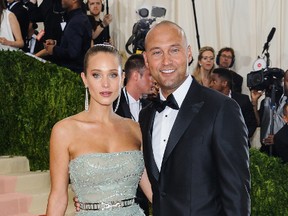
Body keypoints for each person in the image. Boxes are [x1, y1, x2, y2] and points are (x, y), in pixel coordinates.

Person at [140, 20, 250, 215]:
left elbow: (236, 195)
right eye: (157, 52)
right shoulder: (146, 115)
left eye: (174, 50)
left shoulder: (221, 108)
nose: (166, 61)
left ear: (189, 53)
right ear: (147, 61)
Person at [46, 44, 152, 216]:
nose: (105, 83)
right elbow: (58, 197)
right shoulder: (64, 131)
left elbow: (154, 193)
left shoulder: (135, 129)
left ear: (122, 78)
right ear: (85, 79)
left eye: (112, 75)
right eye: (96, 75)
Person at [114, 54, 153, 215]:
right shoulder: (112, 105)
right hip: (118, 188)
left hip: (145, 186)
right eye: (149, 75)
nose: (153, 79)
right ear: (136, 76)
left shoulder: (152, 106)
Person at [35, 0, 92, 73]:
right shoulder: (77, 18)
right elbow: (74, 44)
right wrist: (55, 43)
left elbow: (73, 53)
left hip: (73, 73)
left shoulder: (76, 21)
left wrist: (54, 49)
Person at [210, 68, 258, 144]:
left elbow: (252, 124)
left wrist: (240, 139)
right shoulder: (209, 101)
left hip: (239, 146)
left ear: (224, 83)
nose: (211, 84)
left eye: (214, 81)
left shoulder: (243, 100)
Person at [251, 69, 288, 155]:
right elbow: (258, 122)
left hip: (284, 152)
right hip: (266, 150)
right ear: (283, 82)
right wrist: (254, 102)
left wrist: (277, 139)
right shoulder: (270, 98)